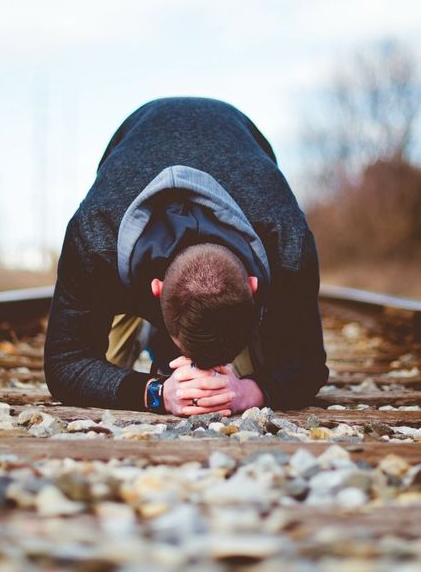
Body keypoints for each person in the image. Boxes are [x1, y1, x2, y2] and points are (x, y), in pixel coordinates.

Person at [44, 97, 328, 415]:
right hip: (135, 148)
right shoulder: (96, 237)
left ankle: (194, 351)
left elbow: (309, 365)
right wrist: (155, 393)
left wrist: (249, 392)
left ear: (253, 287)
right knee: (101, 378)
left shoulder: (287, 242)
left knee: (255, 370)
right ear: (155, 290)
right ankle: (146, 332)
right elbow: (65, 363)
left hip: (241, 147)